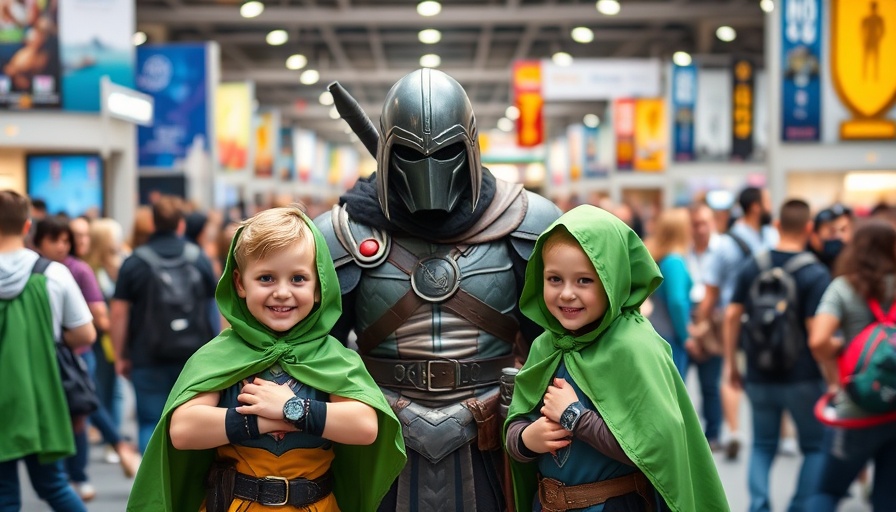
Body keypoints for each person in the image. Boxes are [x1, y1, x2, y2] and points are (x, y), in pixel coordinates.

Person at [315, 68, 560, 511]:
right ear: (388, 149)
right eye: (409, 154)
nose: (429, 169)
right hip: (382, 429)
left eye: (445, 152)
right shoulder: (344, 233)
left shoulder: (527, 223)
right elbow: (316, 353)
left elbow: (558, 345)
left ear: (469, 145)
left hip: (492, 431)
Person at [127, 206, 406, 511]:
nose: (282, 292)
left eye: (298, 278)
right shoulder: (219, 356)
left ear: (319, 286)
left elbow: (365, 426)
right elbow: (183, 430)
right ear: (240, 283)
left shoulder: (334, 357)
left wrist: (291, 408)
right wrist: (264, 418)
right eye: (266, 278)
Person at [503, 205, 728, 512]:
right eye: (554, 279)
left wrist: (574, 416)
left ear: (613, 280)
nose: (567, 294)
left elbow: (653, 449)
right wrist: (526, 439)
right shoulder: (546, 345)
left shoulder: (635, 346)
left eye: (584, 280)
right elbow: (518, 422)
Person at [723, 199, 829, 512]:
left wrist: (732, 363)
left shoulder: (754, 264)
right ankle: (799, 506)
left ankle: (759, 506)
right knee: (814, 446)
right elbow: (815, 332)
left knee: (762, 445)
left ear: (778, 225)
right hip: (803, 375)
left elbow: (731, 316)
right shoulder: (816, 273)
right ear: (809, 228)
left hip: (758, 371)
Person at [0, 190, 95, 511]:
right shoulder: (53, 272)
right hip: (40, 394)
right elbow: (86, 332)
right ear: (27, 226)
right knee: (54, 485)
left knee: (3, 494)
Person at [110, 195, 218, 452]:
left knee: (150, 421)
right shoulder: (199, 258)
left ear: (152, 223)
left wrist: (120, 354)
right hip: (195, 356)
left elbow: (118, 313)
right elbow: (214, 307)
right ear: (181, 224)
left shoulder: (135, 261)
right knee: (196, 420)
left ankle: (152, 487)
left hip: (147, 354)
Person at [807, 219, 896, 510]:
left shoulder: (844, 287)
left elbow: (818, 340)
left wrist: (841, 356)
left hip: (856, 408)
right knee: (888, 498)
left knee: (826, 492)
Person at [696, 185, 778, 460]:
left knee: (731, 372)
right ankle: (783, 434)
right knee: (778, 369)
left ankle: (733, 430)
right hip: (774, 317)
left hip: (734, 318)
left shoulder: (726, 244)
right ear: (755, 206)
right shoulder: (772, 238)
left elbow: (711, 290)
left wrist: (700, 322)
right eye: (767, 201)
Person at [684, 202, 725, 451]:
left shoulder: (723, 250)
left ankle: (714, 434)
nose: (700, 229)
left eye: (704, 223)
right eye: (695, 224)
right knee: (680, 381)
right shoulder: (683, 251)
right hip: (688, 315)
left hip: (714, 320)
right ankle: (687, 435)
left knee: (711, 383)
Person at [645, 207, 693, 377]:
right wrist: (686, 335)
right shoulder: (674, 261)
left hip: (660, 330)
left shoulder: (661, 258)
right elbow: (677, 301)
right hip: (671, 334)